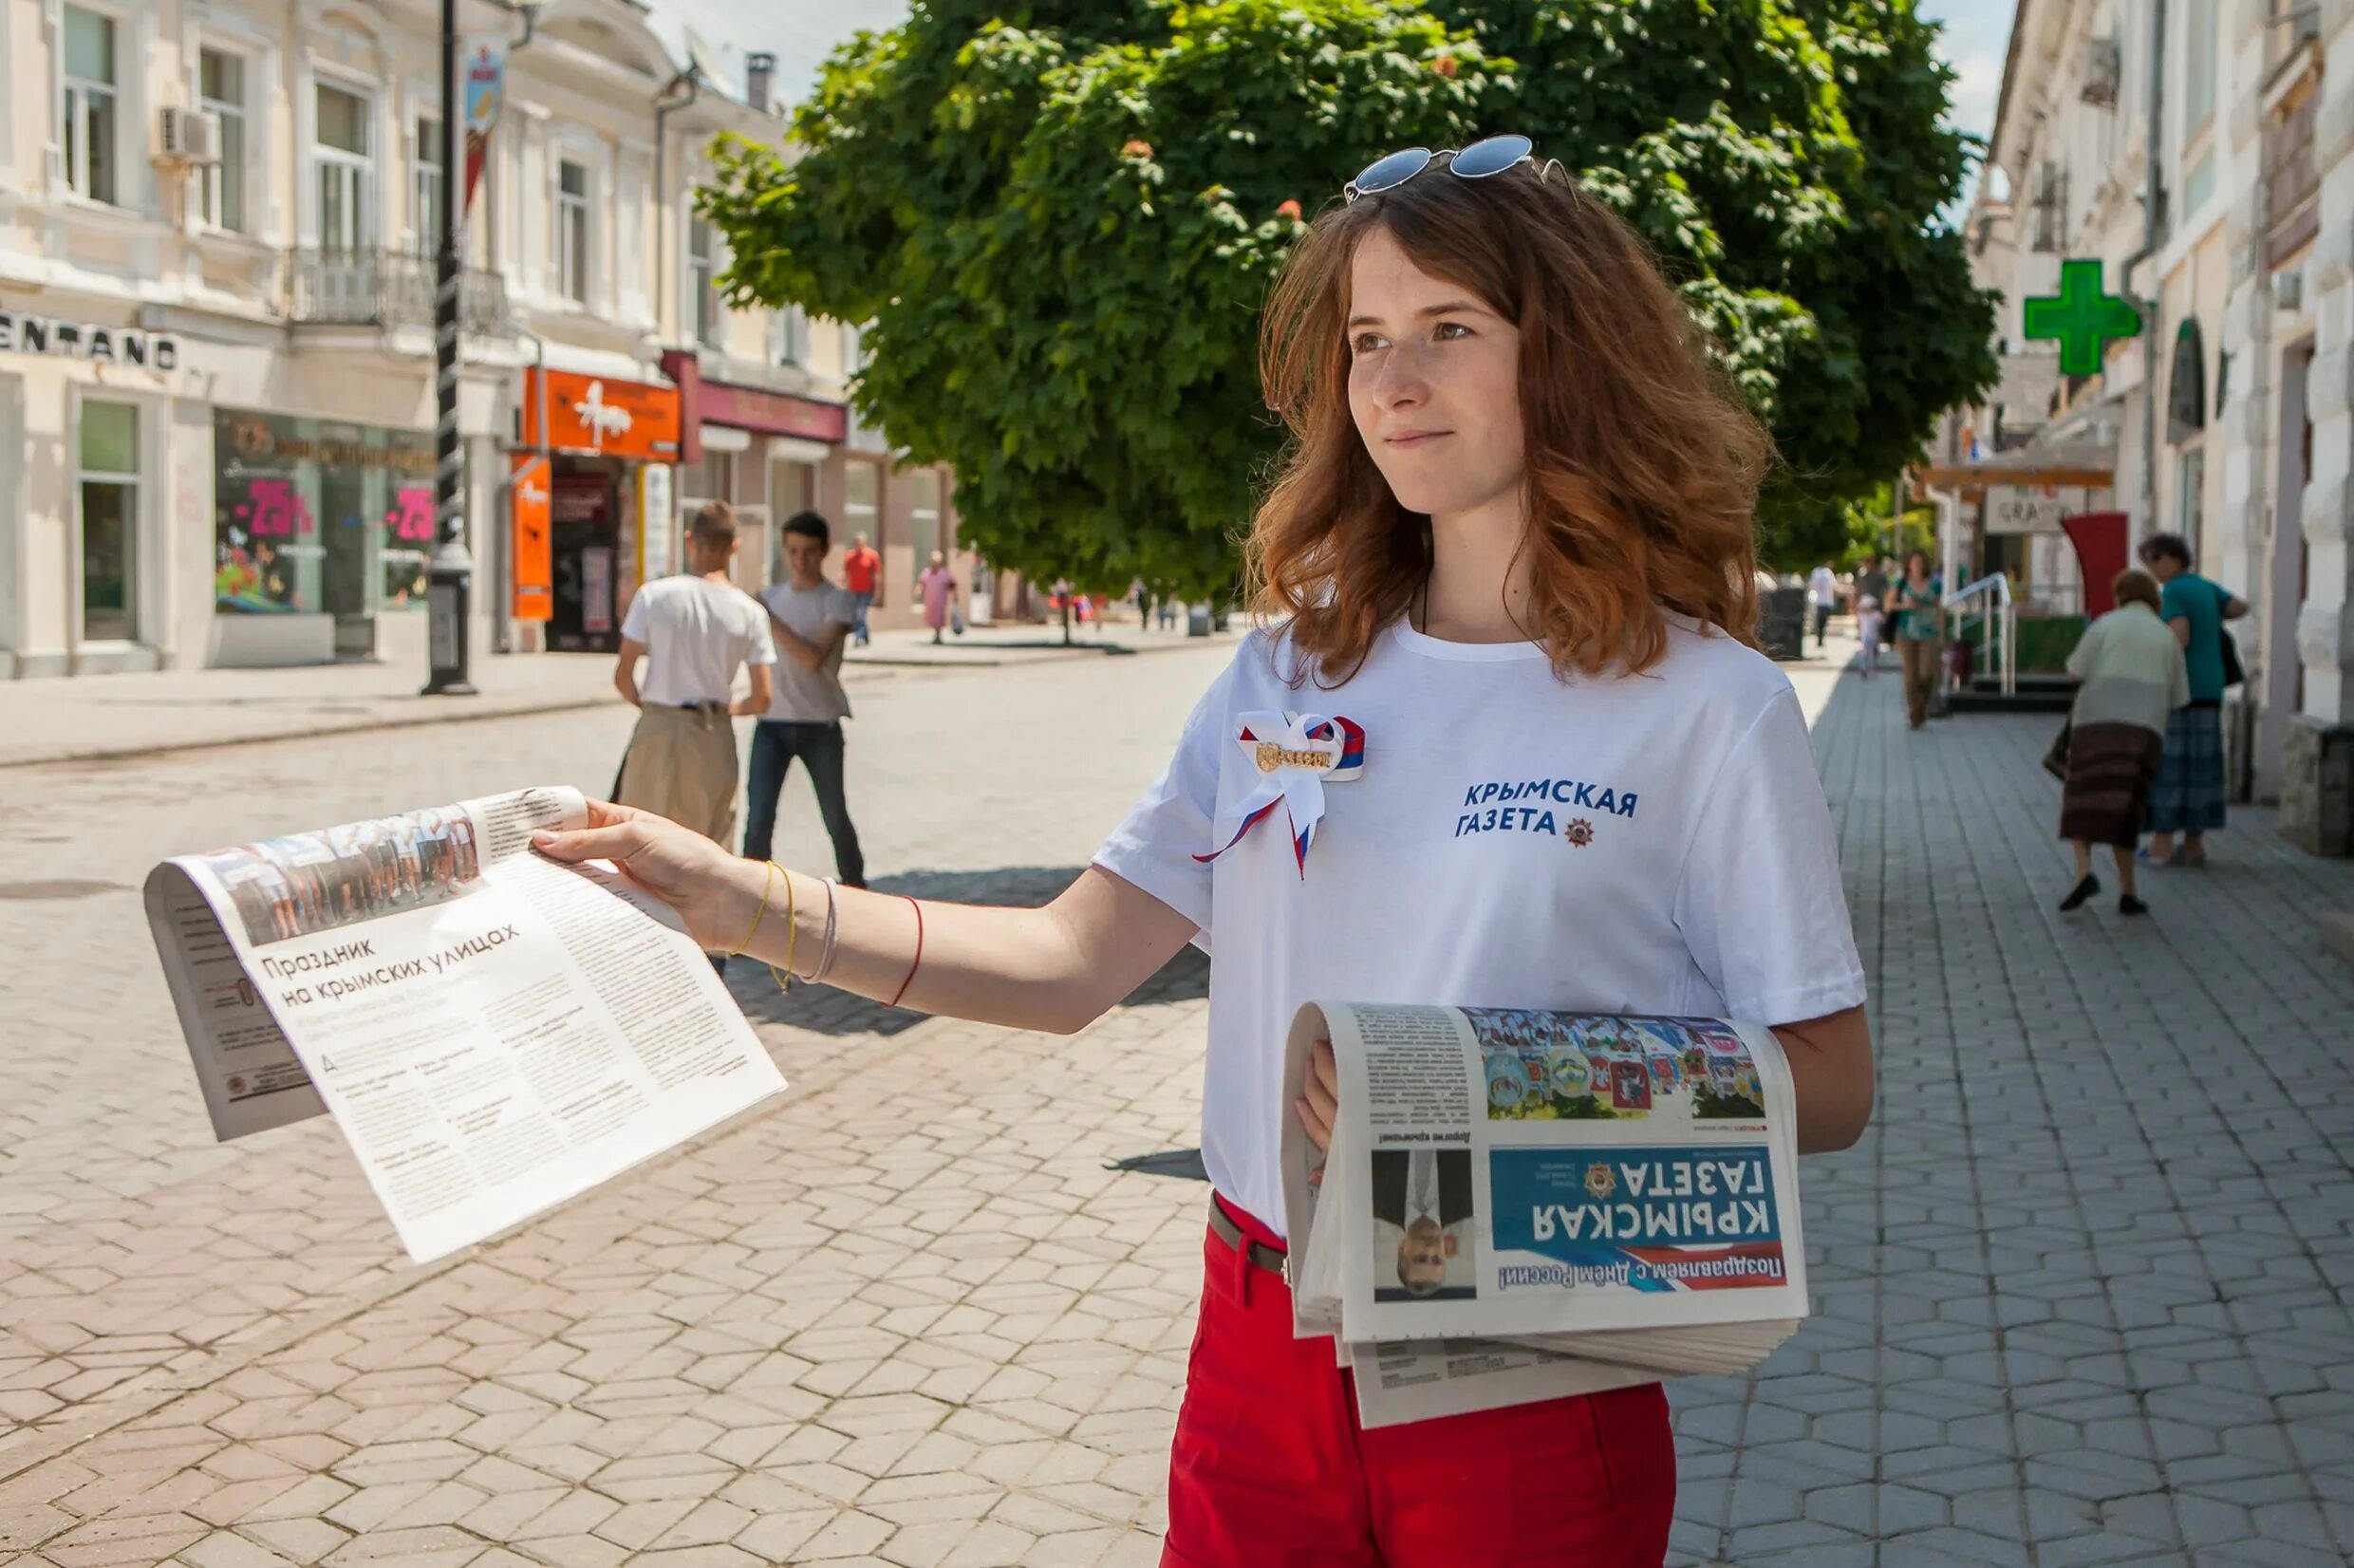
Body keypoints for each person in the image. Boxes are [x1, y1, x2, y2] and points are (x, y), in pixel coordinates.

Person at [535, 133, 1873, 1568]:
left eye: (1449, 330)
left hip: (1531, 1357)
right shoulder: (1286, 677)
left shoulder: (1707, 707)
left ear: (1573, 357)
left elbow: (1831, 1082)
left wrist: (1477, 1093)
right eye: (1366, 339)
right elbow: (1065, 963)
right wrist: (746, 900)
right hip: (1259, 1338)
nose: (1393, 383)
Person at [611, 503, 775, 854]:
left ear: (690, 540)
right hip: (712, 730)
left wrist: (651, 706)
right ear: (735, 546)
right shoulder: (750, 612)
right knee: (709, 850)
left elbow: (623, 676)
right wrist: (729, 707)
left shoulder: (654, 596)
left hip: (658, 726)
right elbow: (763, 697)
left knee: (638, 839)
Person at [745, 511, 867, 889]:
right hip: (771, 724)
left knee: (834, 816)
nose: (800, 561)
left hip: (820, 726)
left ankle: (857, 889)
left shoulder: (837, 601)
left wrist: (767, 617)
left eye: (809, 552)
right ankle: (750, 901)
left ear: (825, 551)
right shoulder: (770, 597)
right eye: (793, 551)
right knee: (759, 817)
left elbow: (813, 658)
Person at [2058, 570, 2188, 917]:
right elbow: (2179, 697)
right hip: (2144, 729)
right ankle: (2129, 892)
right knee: (2125, 806)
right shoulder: (2166, 637)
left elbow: (2075, 671)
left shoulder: (2104, 625)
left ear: (2121, 595)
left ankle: (2085, 871)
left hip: (2096, 722)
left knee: (2082, 800)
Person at [2137, 532, 2249, 867]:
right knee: (2202, 767)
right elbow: (2239, 606)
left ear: (2172, 558)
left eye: (2154, 560)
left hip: (2180, 692)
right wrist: (2211, 619)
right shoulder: (2205, 587)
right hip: (2211, 690)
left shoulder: (2173, 591)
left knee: (2171, 766)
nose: (2151, 569)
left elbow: (2178, 637)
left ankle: (2161, 844)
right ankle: (2194, 845)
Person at [1892, 550, 1944, 730]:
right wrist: (1904, 605)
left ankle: (1922, 701)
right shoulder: (1900, 582)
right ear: (1909, 564)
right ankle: (1915, 710)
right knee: (1910, 674)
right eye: (1914, 562)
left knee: (1926, 673)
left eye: (1921, 562)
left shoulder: (1935, 583)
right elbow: (1888, 604)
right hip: (1905, 633)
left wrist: (1942, 634)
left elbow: (1939, 609)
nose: (1918, 566)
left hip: (1929, 632)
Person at [840, 532, 881, 645]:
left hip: (866, 591)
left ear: (865, 543)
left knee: (860, 613)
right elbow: (845, 572)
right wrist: (842, 584)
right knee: (858, 614)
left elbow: (877, 575)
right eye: (856, 543)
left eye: (860, 543)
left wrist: (877, 591)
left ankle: (858, 637)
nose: (858, 545)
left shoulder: (872, 555)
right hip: (853, 590)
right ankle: (866, 636)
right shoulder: (850, 556)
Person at [1855, 555, 1891, 668]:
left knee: (1874, 631)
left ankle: (1873, 648)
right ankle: (1867, 652)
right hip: (1864, 607)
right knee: (1866, 632)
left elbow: (1886, 591)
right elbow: (1857, 591)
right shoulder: (1862, 576)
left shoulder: (1880, 576)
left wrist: (1885, 608)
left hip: (1875, 607)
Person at [917, 550, 956, 645]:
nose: (935, 564)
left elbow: (951, 585)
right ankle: (936, 634)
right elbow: (921, 583)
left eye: (937, 562)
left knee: (939, 617)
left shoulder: (944, 573)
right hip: (930, 599)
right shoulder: (926, 572)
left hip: (940, 600)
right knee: (932, 617)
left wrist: (955, 596)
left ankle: (938, 635)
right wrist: (918, 591)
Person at [1806, 561, 1838, 650]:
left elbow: (1811, 585)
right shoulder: (1828, 573)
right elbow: (1833, 586)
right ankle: (1820, 638)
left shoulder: (1816, 571)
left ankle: (1819, 638)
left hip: (1818, 601)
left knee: (1820, 621)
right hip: (1825, 601)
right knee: (1823, 621)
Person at [1853, 594, 1882, 679]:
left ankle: (1870, 668)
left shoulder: (1874, 614)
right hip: (1866, 636)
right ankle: (1865, 668)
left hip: (1872, 636)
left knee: (1871, 653)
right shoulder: (1864, 615)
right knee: (1866, 653)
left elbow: (1881, 621)